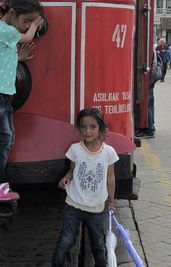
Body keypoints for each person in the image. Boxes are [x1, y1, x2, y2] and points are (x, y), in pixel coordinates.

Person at [52, 108, 119, 267]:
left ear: (101, 128)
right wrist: (66, 178)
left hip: (95, 208)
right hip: (73, 204)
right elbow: (72, 170)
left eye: (93, 127)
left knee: (98, 245)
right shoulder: (75, 149)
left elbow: (110, 178)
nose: (87, 131)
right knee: (65, 241)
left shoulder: (109, 152)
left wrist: (111, 201)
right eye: (83, 127)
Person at [0, 0, 43, 201]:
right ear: (11, 12)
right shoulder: (5, 30)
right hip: (1, 96)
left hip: (5, 97)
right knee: (4, 139)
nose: (27, 25)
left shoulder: (5, 32)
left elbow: (3, 59)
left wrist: (19, 58)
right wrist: (35, 26)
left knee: (7, 139)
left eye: (30, 22)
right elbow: (26, 37)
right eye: (26, 20)